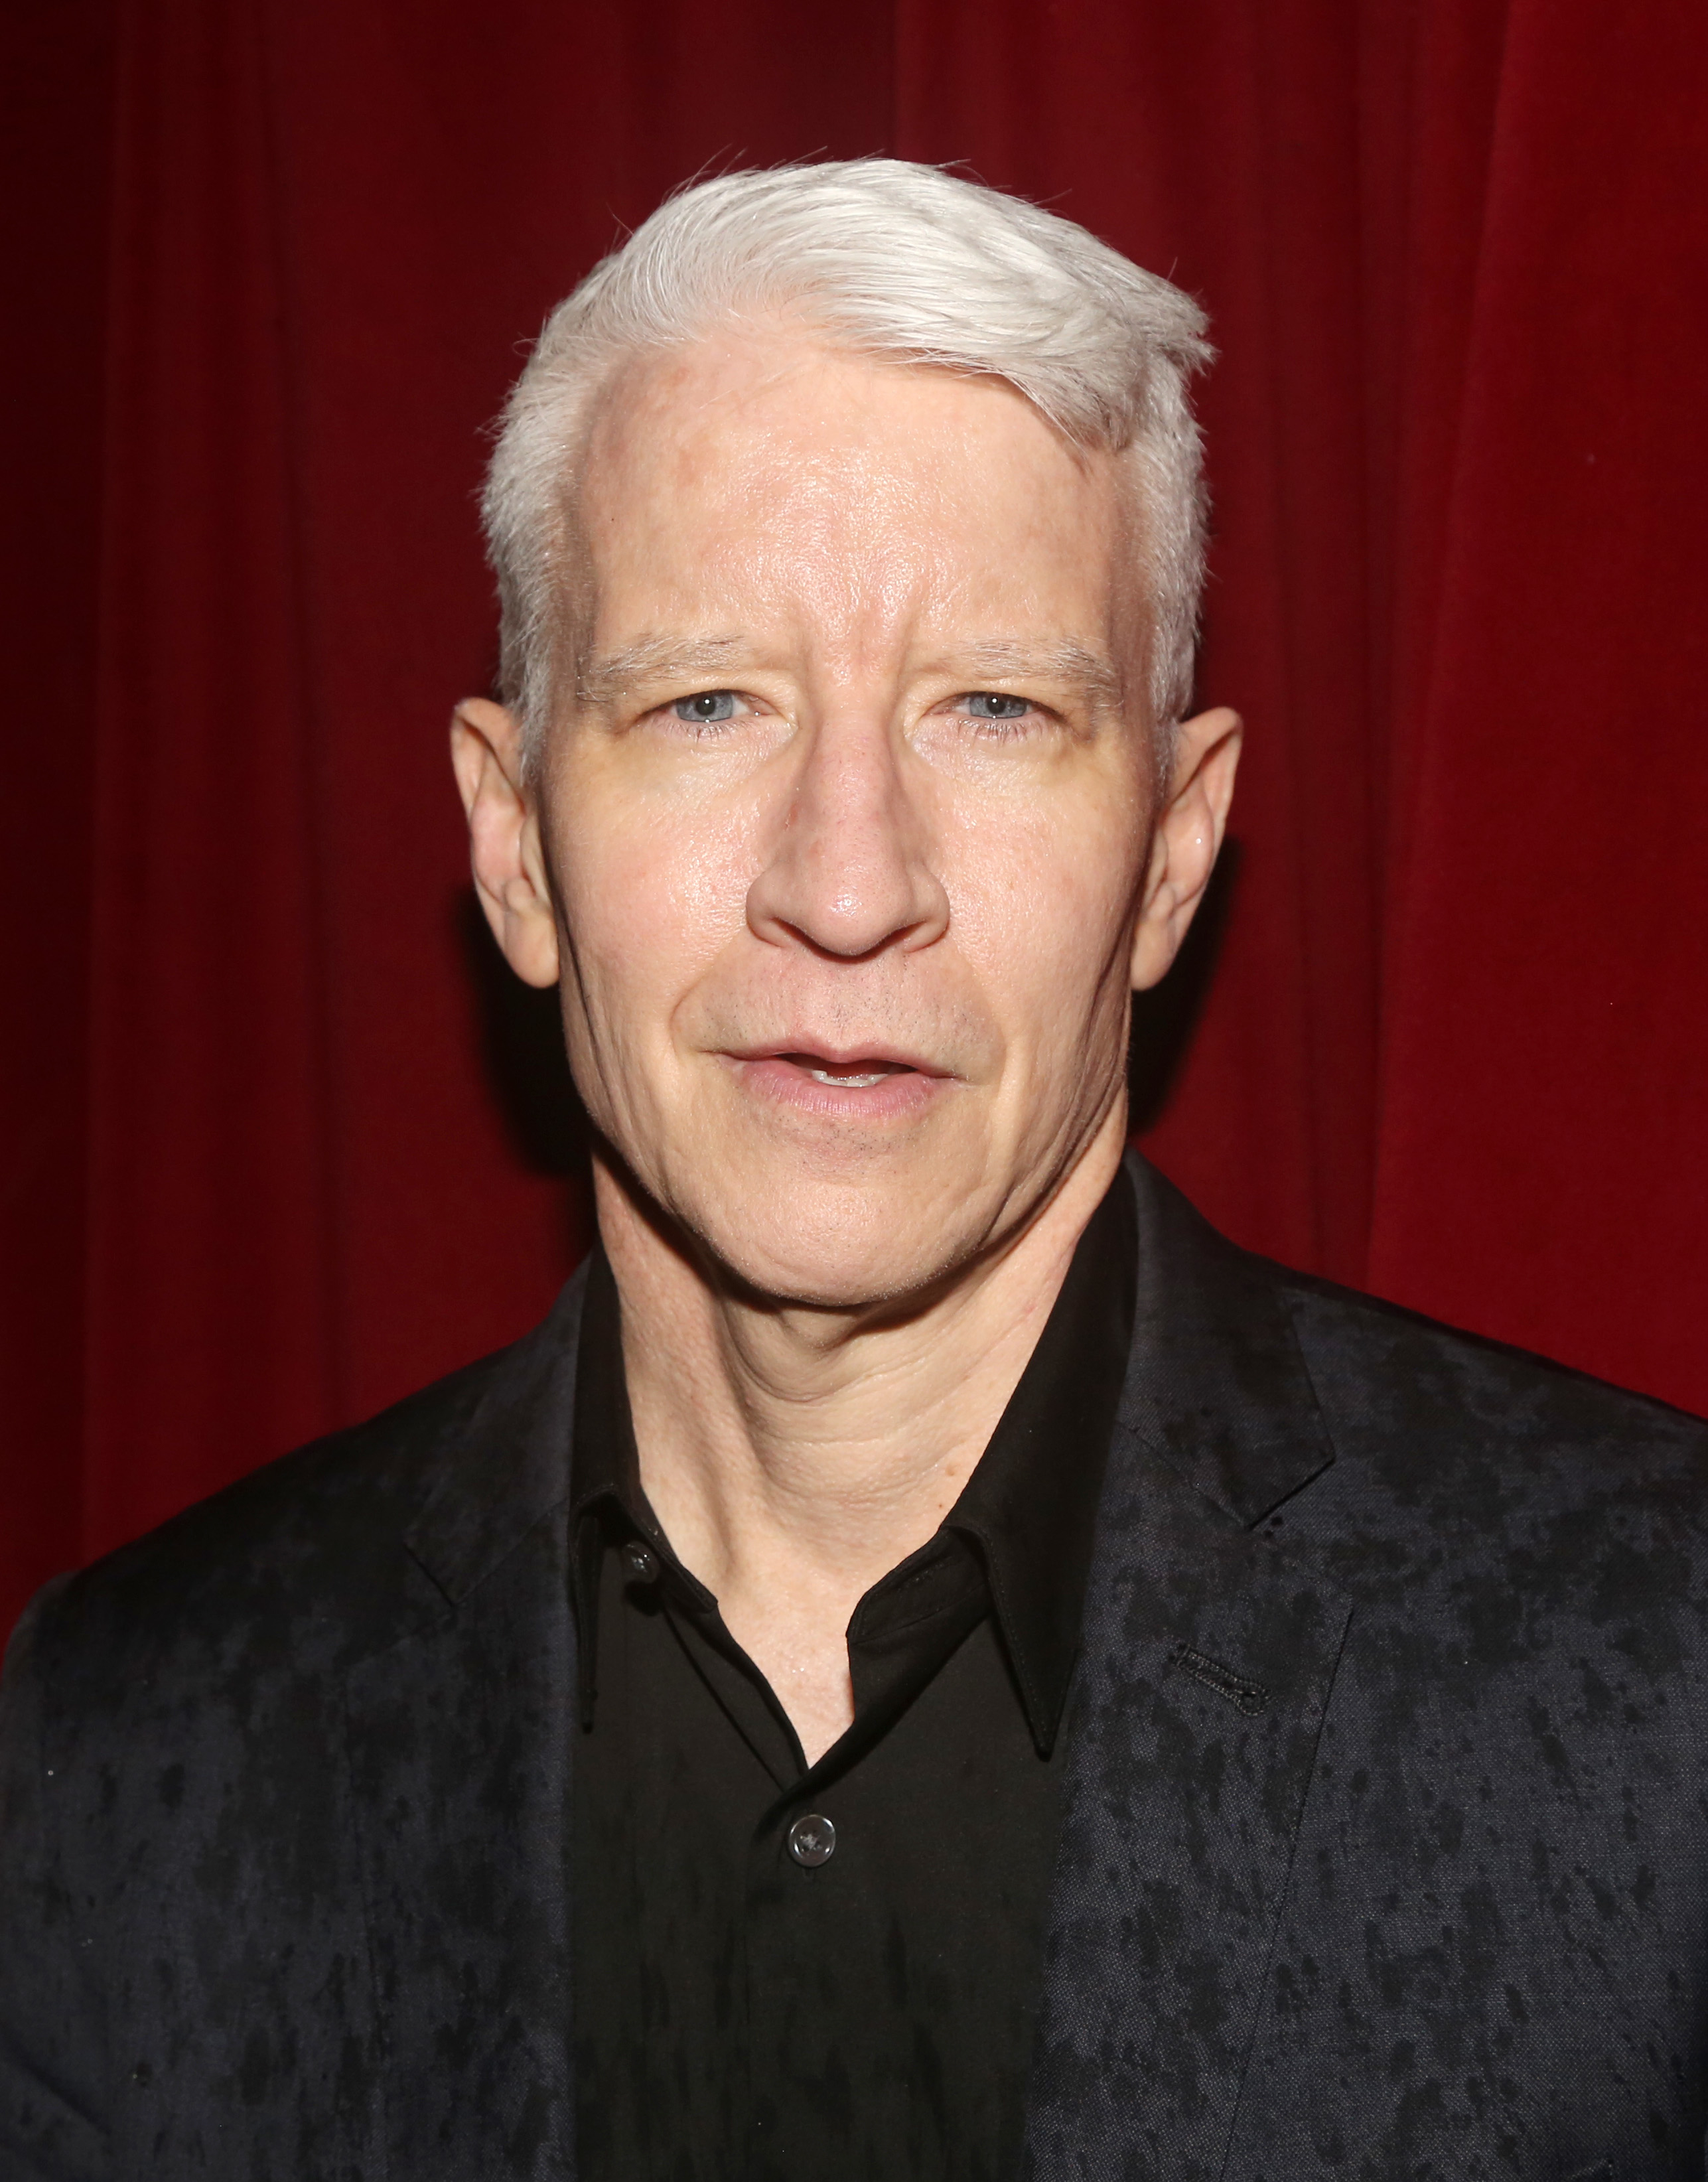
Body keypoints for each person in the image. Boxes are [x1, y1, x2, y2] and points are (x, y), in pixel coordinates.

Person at [3, 158, 1705, 2182]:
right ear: (512, 841)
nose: (846, 882)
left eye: (993, 709)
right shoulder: (122, 1752)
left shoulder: (1666, 1689)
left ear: (1169, 857)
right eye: (709, 701)